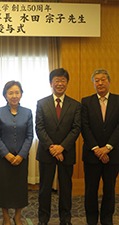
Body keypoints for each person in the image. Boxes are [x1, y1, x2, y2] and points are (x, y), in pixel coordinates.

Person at [35, 68, 81, 225]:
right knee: (44, 189)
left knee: (66, 188)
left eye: (63, 81)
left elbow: (76, 128)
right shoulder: (41, 103)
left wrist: (62, 147)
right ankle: (43, 219)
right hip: (46, 153)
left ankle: (65, 219)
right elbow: (39, 128)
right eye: (56, 81)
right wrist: (53, 148)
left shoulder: (75, 105)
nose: (60, 84)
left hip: (66, 153)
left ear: (67, 83)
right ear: (50, 83)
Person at [0, 81, 33, 225]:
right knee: (4, 188)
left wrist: (21, 155)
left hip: (22, 158)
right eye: (10, 93)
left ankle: (17, 216)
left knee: (20, 188)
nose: (14, 96)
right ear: (5, 95)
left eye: (17, 92)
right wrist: (7, 154)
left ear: (21, 94)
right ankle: (6, 217)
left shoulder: (27, 112)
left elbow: (30, 136)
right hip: (4, 158)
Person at [81, 69, 119, 225]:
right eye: (96, 80)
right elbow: (84, 127)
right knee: (91, 190)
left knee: (110, 189)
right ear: (93, 83)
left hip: (113, 153)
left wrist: (108, 147)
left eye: (103, 79)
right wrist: (97, 149)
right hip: (92, 154)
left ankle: (107, 220)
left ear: (109, 81)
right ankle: (91, 219)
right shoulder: (86, 101)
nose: (100, 83)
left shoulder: (118, 100)